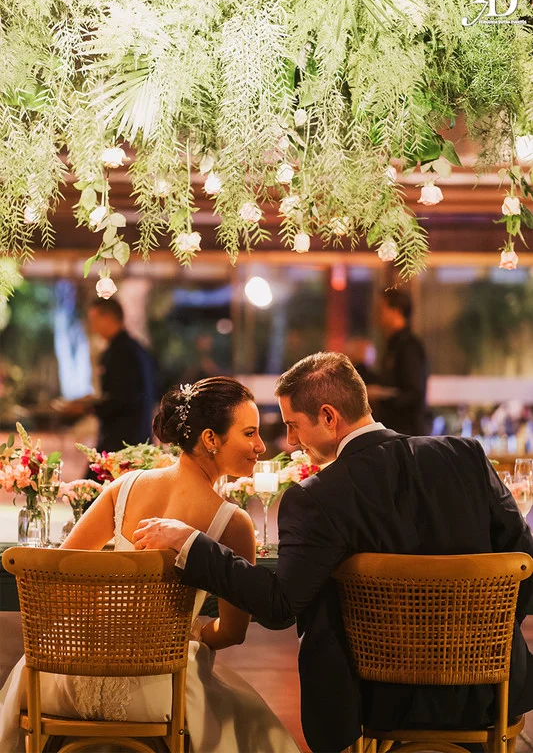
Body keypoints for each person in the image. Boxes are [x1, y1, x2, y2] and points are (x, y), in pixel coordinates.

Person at [133, 353, 533, 753]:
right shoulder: (465, 457)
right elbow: (525, 571)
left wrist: (190, 543)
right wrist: (475, 644)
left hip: (375, 700)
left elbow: (279, 605)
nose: (290, 441)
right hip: (486, 692)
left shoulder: (318, 498)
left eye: (293, 426)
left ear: (328, 417)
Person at [0, 377, 300, 753]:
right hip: (159, 689)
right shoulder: (232, 523)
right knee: (257, 729)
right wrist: (188, 637)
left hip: (62, 682)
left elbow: (56, 573)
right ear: (211, 439)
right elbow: (233, 633)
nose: (260, 447)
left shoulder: (123, 488)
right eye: (250, 433)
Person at [55, 298, 157, 455]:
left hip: (123, 439)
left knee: (96, 477)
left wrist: (87, 407)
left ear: (108, 318)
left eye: (94, 320)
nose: (92, 327)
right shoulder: (134, 348)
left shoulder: (121, 352)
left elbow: (125, 397)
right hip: (135, 435)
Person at [368, 288, 428, 435]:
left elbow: (413, 393)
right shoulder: (393, 344)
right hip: (394, 430)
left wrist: (382, 395)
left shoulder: (409, 345)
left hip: (406, 432)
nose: (377, 316)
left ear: (396, 311)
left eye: (381, 310)